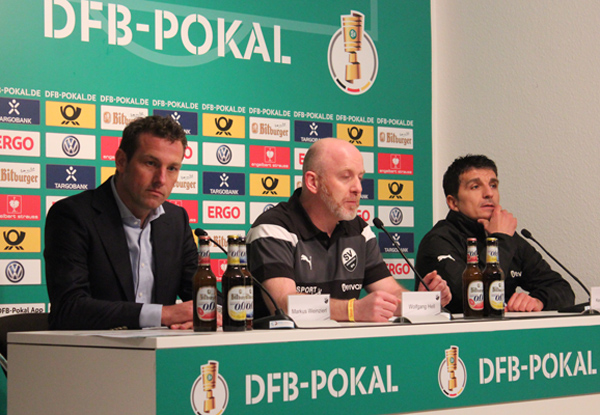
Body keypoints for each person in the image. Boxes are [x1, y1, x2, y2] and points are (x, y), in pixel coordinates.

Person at [246, 138, 451, 322]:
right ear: (313, 182)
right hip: (282, 349)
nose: (358, 188)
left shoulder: (358, 230)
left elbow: (391, 293)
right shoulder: (273, 228)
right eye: (346, 177)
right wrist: (353, 310)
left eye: (360, 178)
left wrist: (423, 301)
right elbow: (283, 303)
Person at [45, 115, 198, 330]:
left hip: (161, 349)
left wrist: (209, 313)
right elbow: (69, 307)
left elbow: (203, 295)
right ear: (121, 161)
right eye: (151, 163)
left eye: (172, 168)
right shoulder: (73, 215)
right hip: (96, 349)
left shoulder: (176, 220)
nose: (161, 179)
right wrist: (163, 314)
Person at [416, 154, 575, 314]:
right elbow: (472, 298)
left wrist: (538, 301)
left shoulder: (508, 236)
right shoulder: (438, 241)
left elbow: (563, 290)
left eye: (493, 185)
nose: (489, 193)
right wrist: (500, 239)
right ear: (453, 202)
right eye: (475, 187)